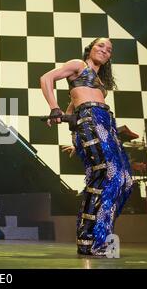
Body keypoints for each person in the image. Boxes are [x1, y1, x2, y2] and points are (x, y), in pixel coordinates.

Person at [40, 37, 133, 257]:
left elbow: (72, 110)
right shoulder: (78, 65)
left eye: (109, 50)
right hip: (91, 120)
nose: (105, 50)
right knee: (108, 174)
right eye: (101, 45)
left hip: (105, 124)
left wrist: (79, 143)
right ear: (90, 48)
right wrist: (54, 109)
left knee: (125, 180)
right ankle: (90, 240)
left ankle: (98, 235)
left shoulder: (101, 85)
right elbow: (46, 78)